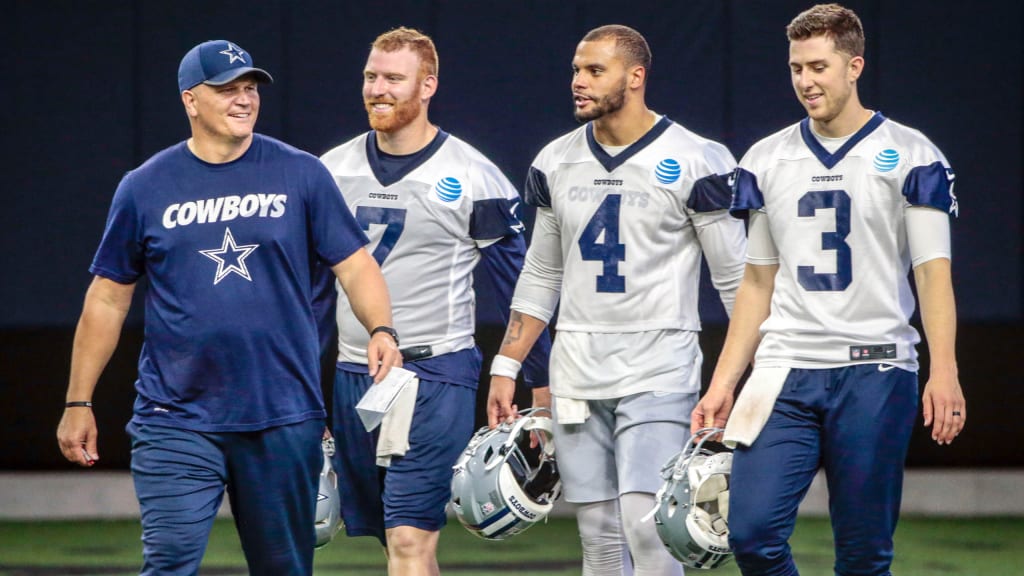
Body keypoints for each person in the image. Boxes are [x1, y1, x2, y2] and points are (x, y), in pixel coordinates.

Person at [55, 39, 401, 575]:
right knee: (168, 562)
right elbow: (106, 297)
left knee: (284, 568)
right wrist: (79, 402)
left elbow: (354, 265)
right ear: (191, 100)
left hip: (283, 413)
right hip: (175, 415)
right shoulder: (144, 187)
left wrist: (381, 328)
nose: (243, 100)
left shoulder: (301, 174)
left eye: (249, 88)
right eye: (226, 90)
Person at [692, 4, 966, 575]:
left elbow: (931, 272)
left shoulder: (913, 153)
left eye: (818, 66)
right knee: (750, 534)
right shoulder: (765, 159)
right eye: (796, 68)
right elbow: (758, 280)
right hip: (784, 368)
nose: (805, 81)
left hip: (877, 368)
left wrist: (945, 368)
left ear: (854, 65)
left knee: (864, 555)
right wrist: (723, 383)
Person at [487, 24, 747, 576]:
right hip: (578, 368)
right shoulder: (555, 160)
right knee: (599, 536)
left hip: (659, 363)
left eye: (594, 71)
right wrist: (507, 364)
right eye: (576, 70)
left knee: (648, 525)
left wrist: (745, 378)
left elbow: (736, 282)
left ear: (635, 76)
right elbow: (540, 274)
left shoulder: (697, 157)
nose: (578, 82)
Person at [318, 27, 551, 576]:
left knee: (408, 538)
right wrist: (305, 381)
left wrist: (535, 381)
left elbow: (520, 287)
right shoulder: (329, 171)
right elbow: (308, 292)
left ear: (428, 86)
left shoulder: (473, 175)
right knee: (389, 538)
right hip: (354, 371)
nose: (378, 88)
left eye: (393, 78)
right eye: (371, 76)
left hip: (436, 372)